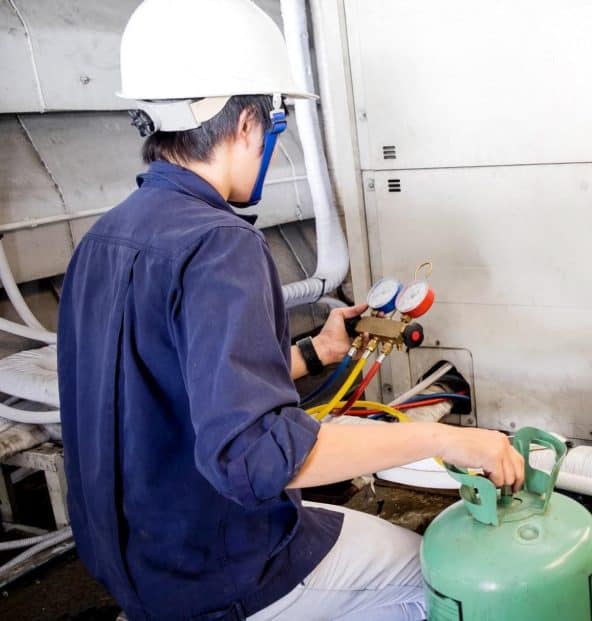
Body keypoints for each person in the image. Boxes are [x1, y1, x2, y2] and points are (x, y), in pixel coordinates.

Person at [55, 1, 525, 619]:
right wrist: (449, 441)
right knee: (435, 577)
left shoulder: (101, 240)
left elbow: (172, 388)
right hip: (221, 572)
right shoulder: (221, 243)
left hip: (138, 563)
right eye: (277, 124)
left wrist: (314, 353)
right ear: (251, 122)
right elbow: (256, 460)